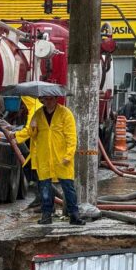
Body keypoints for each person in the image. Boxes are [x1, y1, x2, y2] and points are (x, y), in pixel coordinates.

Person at [29, 94, 85, 226]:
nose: (48, 102)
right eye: (46, 99)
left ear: (56, 99)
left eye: (51, 99)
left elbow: (71, 137)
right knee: (45, 188)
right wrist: (32, 126)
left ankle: (74, 215)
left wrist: (68, 155)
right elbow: (32, 135)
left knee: (68, 188)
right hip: (44, 158)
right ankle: (46, 215)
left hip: (62, 158)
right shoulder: (37, 114)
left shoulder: (65, 113)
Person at [14, 96, 43, 207]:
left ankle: (43, 202)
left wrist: (15, 135)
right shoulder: (36, 107)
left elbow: (28, 131)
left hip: (39, 150)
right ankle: (40, 199)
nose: (21, 108)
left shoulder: (34, 110)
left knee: (37, 175)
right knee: (32, 171)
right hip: (37, 149)